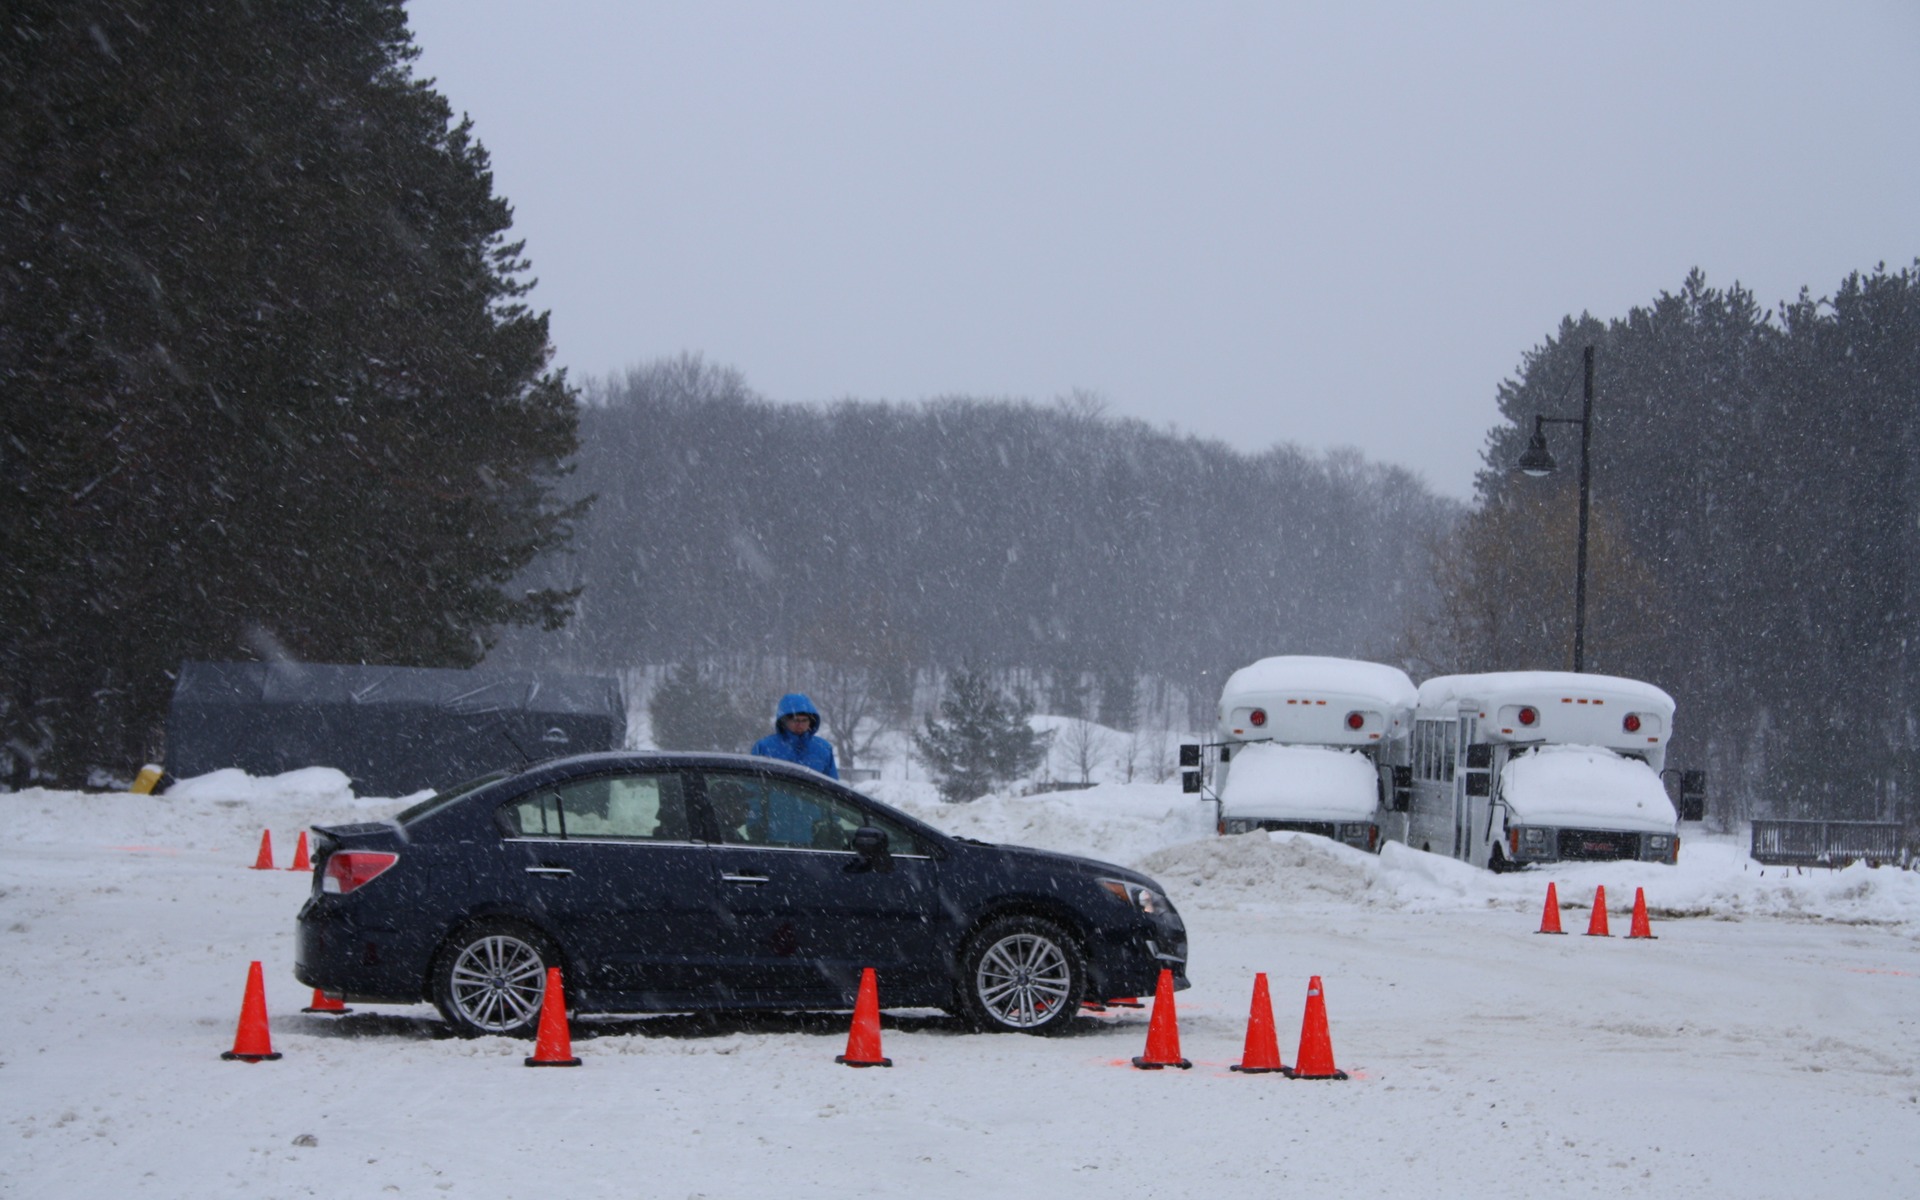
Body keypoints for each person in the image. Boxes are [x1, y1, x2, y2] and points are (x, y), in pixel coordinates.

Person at [749, 692, 839, 780]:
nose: (800, 724)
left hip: (810, 795)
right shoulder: (764, 747)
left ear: (811, 721)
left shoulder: (823, 749)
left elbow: (832, 784)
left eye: (804, 720)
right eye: (795, 720)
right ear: (784, 721)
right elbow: (753, 781)